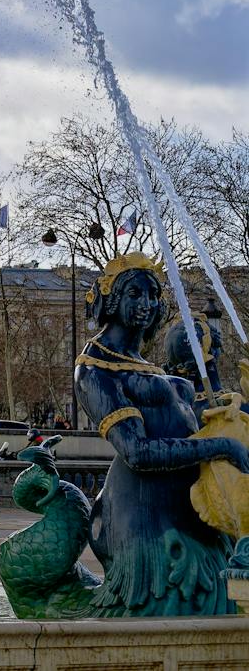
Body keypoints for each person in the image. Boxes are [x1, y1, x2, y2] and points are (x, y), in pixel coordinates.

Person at [74, 253, 249, 616]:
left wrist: (229, 407)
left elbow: (187, 418)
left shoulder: (143, 364)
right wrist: (220, 446)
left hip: (190, 514)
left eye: (152, 295)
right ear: (111, 300)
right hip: (148, 521)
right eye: (134, 294)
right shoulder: (94, 370)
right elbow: (136, 452)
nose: (147, 305)